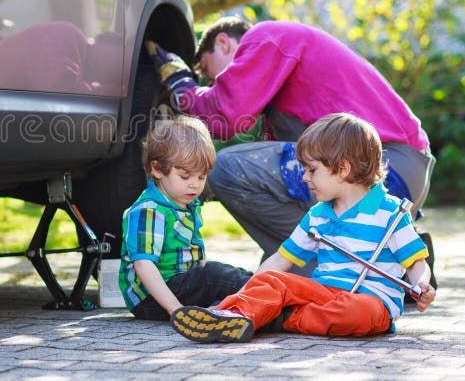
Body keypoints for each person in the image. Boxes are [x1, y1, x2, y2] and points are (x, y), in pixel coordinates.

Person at [146, 17, 436, 273]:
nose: (213, 84)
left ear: (224, 43)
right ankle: (384, 257)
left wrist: (183, 86)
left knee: (227, 170)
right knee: (271, 265)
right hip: (400, 172)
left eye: (211, 75)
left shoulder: (266, 37)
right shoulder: (290, 63)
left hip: (387, 165)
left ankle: (325, 268)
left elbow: (226, 114)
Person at [169, 113, 436, 343]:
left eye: (312, 169)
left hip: (371, 301)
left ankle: (276, 318)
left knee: (356, 313)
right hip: (322, 294)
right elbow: (280, 261)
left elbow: (415, 263)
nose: (305, 177)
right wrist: (247, 293)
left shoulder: (390, 211)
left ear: (342, 169)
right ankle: (231, 315)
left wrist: (421, 286)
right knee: (273, 281)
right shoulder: (317, 215)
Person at [119, 115, 253, 320]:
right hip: (152, 298)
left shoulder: (184, 204)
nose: (195, 184)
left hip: (179, 286)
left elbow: (194, 255)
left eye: (201, 177)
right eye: (185, 176)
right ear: (157, 169)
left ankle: (254, 300)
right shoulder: (149, 210)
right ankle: (265, 300)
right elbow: (143, 265)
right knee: (216, 277)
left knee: (222, 278)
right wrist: (174, 308)